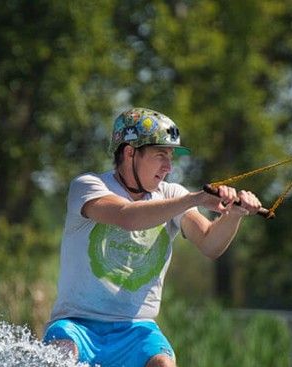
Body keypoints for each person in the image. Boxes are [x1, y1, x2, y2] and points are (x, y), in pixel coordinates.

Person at [43, 107, 263, 367]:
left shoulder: (171, 195)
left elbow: (209, 243)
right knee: (62, 354)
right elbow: (127, 216)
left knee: (162, 363)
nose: (168, 168)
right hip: (76, 326)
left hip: (137, 330)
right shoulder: (88, 186)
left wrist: (234, 215)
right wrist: (197, 198)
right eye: (161, 156)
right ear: (129, 152)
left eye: (170, 158)